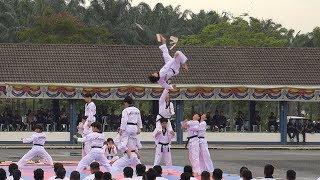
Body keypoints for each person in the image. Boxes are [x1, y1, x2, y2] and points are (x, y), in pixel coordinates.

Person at [112, 96, 142, 172]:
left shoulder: (126, 110)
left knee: (122, 140)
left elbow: (124, 120)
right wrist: (140, 128)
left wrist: (121, 129)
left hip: (128, 126)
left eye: (124, 103)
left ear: (126, 102)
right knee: (133, 139)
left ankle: (127, 150)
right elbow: (139, 119)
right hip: (135, 127)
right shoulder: (137, 110)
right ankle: (135, 150)